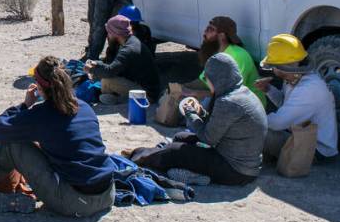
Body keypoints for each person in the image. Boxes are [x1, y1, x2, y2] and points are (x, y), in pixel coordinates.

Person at [0, 56, 116, 217]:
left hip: (77, 202)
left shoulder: (41, 115)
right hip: (108, 193)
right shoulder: (84, 107)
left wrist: (24, 105)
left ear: (39, 86)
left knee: (12, 145)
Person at [130, 53, 267, 186]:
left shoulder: (228, 102)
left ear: (216, 79)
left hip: (235, 171)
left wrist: (190, 113)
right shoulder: (241, 92)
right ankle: (180, 165)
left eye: (208, 79)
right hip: (244, 164)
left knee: (176, 150)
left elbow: (208, 139)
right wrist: (200, 112)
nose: (208, 84)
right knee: (180, 136)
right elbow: (219, 126)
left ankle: (139, 156)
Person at [257, 34, 338, 161]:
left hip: (317, 150)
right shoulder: (295, 77)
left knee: (256, 130)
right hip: (303, 136)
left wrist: (250, 119)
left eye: (273, 67)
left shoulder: (309, 89)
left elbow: (278, 123)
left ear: (282, 67)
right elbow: (286, 104)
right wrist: (268, 90)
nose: (273, 70)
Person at [175, 16, 263, 108]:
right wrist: (183, 88)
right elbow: (204, 79)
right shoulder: (216, 52)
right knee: (180, 93)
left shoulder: (238, 55)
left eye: (210, 29)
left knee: (192, 104)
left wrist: (197, 93)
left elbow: (233, 92)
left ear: (222, 35)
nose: (205, 32)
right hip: (223, 93)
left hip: (247, 105)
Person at [86, 15, 161, 105]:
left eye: (109, 32)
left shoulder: (127, 50)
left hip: (147, 95)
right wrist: (97, 64)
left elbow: (110, 71)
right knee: (103, 78)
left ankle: (120, 99)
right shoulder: (131, 41)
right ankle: (116, 97)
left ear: (115, 33)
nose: (108, 35)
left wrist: (91, 69)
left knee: (106, 80)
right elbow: (115, 66)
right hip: (149, 89)